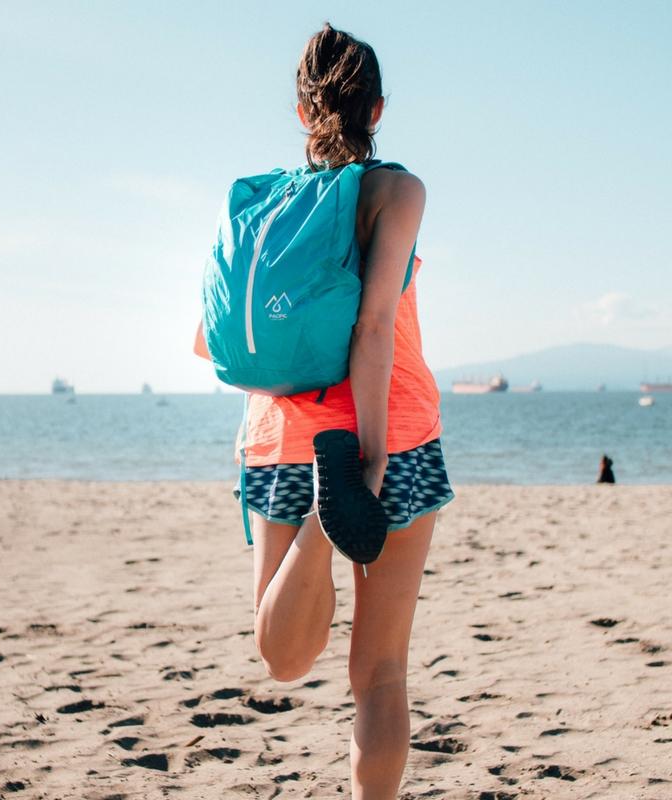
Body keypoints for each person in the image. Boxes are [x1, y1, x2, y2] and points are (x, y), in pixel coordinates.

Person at [195, 22, 454, 798]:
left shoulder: (261, 208)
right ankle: (334, 501)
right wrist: (369, 461)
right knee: (381, 672)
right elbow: (374, 329)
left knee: (284, 657)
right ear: (377, 110)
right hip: (396, 434)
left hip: (282, 439)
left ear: (303, 112)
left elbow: (208, 342)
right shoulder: (395, 191)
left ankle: (318, 524)